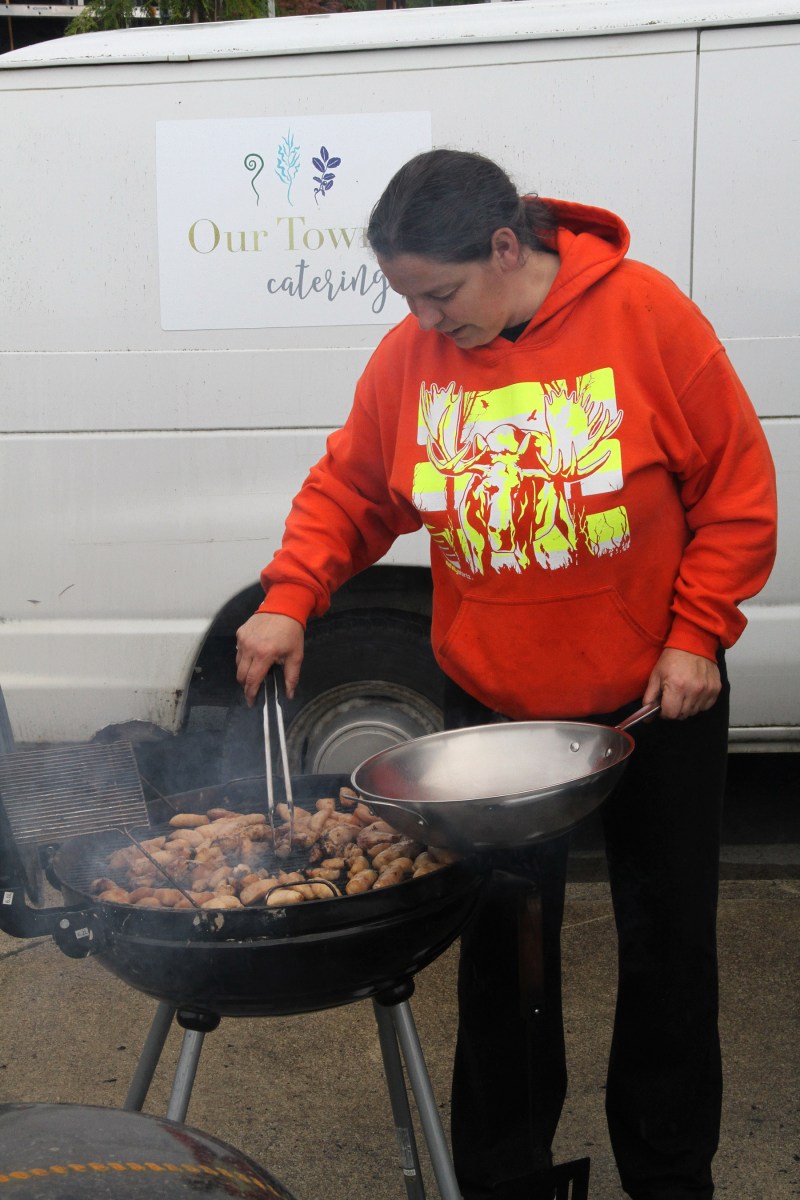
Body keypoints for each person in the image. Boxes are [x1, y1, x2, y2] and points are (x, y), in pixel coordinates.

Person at [235, 149, 778, 1200]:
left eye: (439, 294)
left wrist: (697, 632)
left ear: (502, 248)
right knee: (499, 950)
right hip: (494, 705)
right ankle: (502, 1176)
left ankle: (669, 1175)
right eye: (407, 300)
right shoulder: (414, 357)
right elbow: (352, 489)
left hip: (652, 695)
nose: (426, 321)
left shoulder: (647, 318)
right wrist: (290, 594)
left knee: (666, 945)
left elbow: (736, 490)